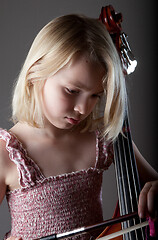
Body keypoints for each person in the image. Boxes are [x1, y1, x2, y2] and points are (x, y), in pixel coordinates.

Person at [0, 14, 157, 240]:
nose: (83, 108)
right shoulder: (8, 153)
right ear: (35, 73)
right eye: (72, 91)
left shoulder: (104, 139)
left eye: (96, 95)